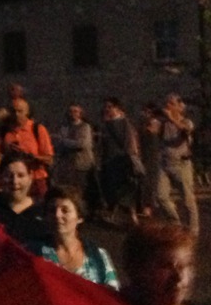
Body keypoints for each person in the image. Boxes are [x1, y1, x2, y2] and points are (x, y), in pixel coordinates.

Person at [35, 185, 118, 289]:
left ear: (79, 217)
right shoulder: (35, 253)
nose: (57, 215)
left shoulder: (98, 257)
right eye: (52, 210)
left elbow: (112, 297)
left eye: (65, 210)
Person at [154, 92, 200, 237]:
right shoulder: (163, 123)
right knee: (161, 196)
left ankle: (193, 229)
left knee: (187, 199)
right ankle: (175, 222)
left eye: (171, 103)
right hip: (165, 164)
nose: (168, 106)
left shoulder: (186, 122)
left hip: (181, 164)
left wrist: (172, 119)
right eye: (167, 103)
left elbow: (186, 130)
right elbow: (154, 132)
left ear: (180, 107)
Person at [0, 151, 47, 247]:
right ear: (0, 177)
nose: (15, 181)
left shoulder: (44, 212)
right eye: (8, 176)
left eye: (20, 175)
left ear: (30, 177)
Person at [0, 97, 53, 198]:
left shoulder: (37, 129)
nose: (16, 115)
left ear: (27, 112)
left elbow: (49, 159)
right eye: (13, 111)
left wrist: (28, 155)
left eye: (20, 111)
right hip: (14, 181)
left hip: (36, 179)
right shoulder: (5, 131)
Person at [98, 97, 144, 226]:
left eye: (109, 107)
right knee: (114, 190)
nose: (107, 109)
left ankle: (132, 218)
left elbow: (129, 144)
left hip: (121, 162)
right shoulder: (107, 124)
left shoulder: (122, 123)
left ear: (117, 108)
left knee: (124, 190)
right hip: (109, 162)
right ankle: (119, 216)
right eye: (105, 107)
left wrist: (130, 159)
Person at [52, 103, 95, 209]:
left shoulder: (85, 127)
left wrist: (64, 141)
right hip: (67, 164)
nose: (73, 114)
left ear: (80, 113)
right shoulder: (65, 127)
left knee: (81, 190)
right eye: (71, 111)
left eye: (75, 111)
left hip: (81, 164)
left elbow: (82, 144)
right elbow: (58, 144)